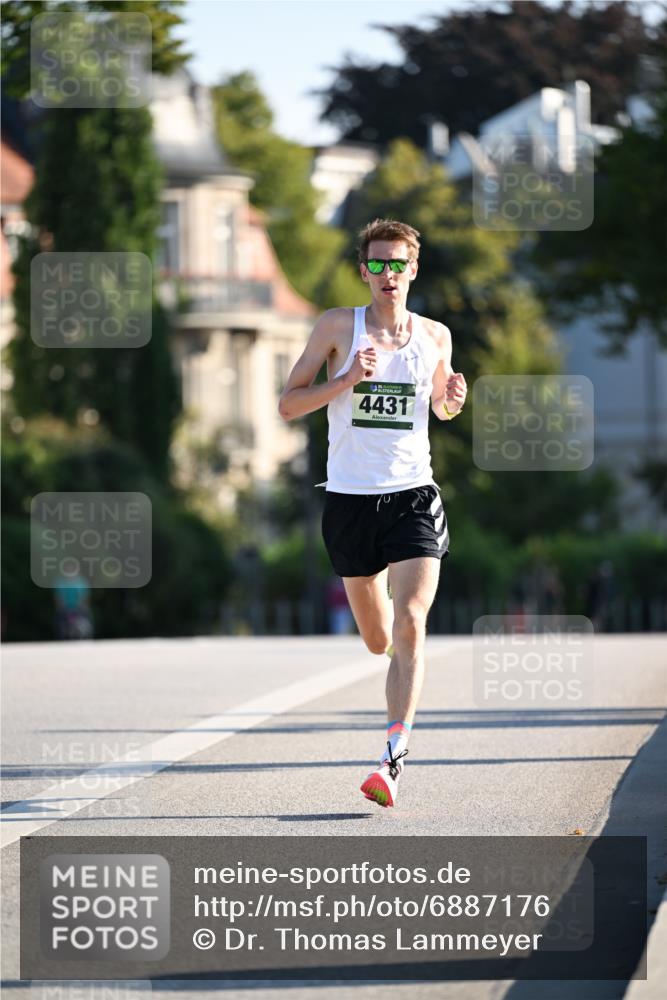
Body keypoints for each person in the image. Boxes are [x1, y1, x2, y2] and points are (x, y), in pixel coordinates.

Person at [278, 218, 467, 807]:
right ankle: (389, 651)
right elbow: (288, 404)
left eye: (398, 263)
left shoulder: (435, 335)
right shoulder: (338, 326)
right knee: (377, 637)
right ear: (364, 271)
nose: (389, 274)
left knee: (410, 621)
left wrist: (452, 401)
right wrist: (345, 379)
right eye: (378, 264)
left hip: (413, 495)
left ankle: (392, 759)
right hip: (349, 501)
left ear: (414, 269)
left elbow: (441, 405)